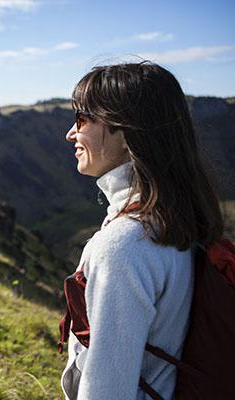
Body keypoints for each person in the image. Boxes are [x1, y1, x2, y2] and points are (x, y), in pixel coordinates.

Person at [60, 61, 223, 399]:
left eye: (82, 118)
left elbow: (106, 392)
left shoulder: (123, 246)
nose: (71, 133)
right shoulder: (177, 219)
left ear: (124, 130)